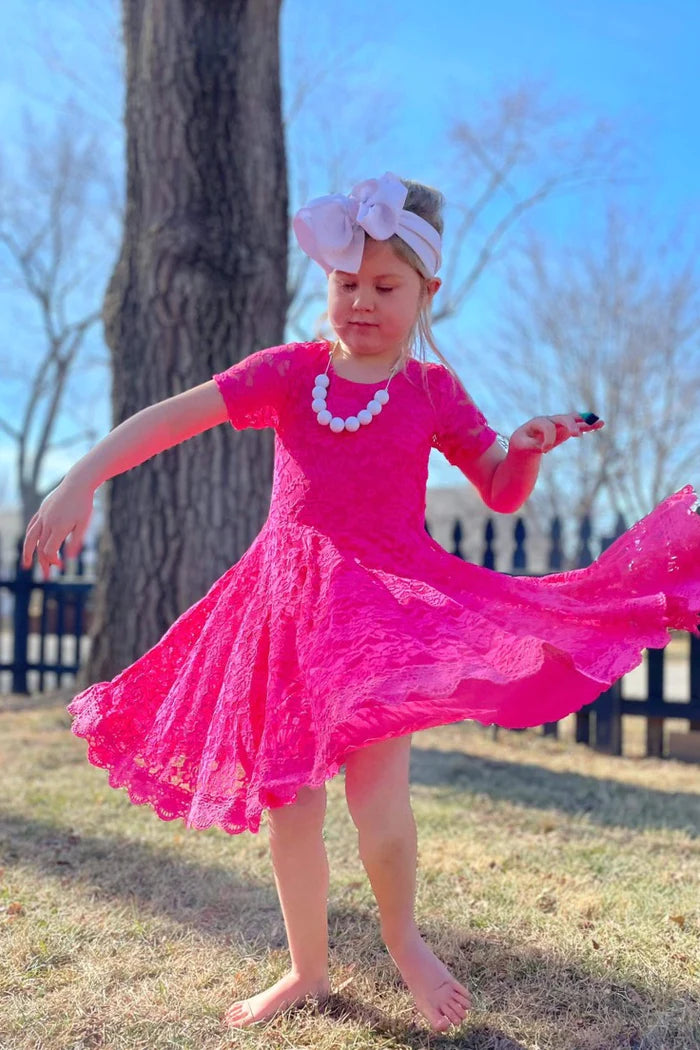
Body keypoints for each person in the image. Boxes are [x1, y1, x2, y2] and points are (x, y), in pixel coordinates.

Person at [21, 171, 700, 1035]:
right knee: (290, 803)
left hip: (379, 617)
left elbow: (495, 489)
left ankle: (403, 938)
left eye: (386, 287)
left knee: (378, 797)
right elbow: (168, 419)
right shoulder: (288, 374)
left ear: (427, 294)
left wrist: (523, 450)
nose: (363, 303)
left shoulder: (429, 392)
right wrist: (83, 477)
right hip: (285, 611)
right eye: (348, 285)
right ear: (328, 284)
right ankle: (307, 969)